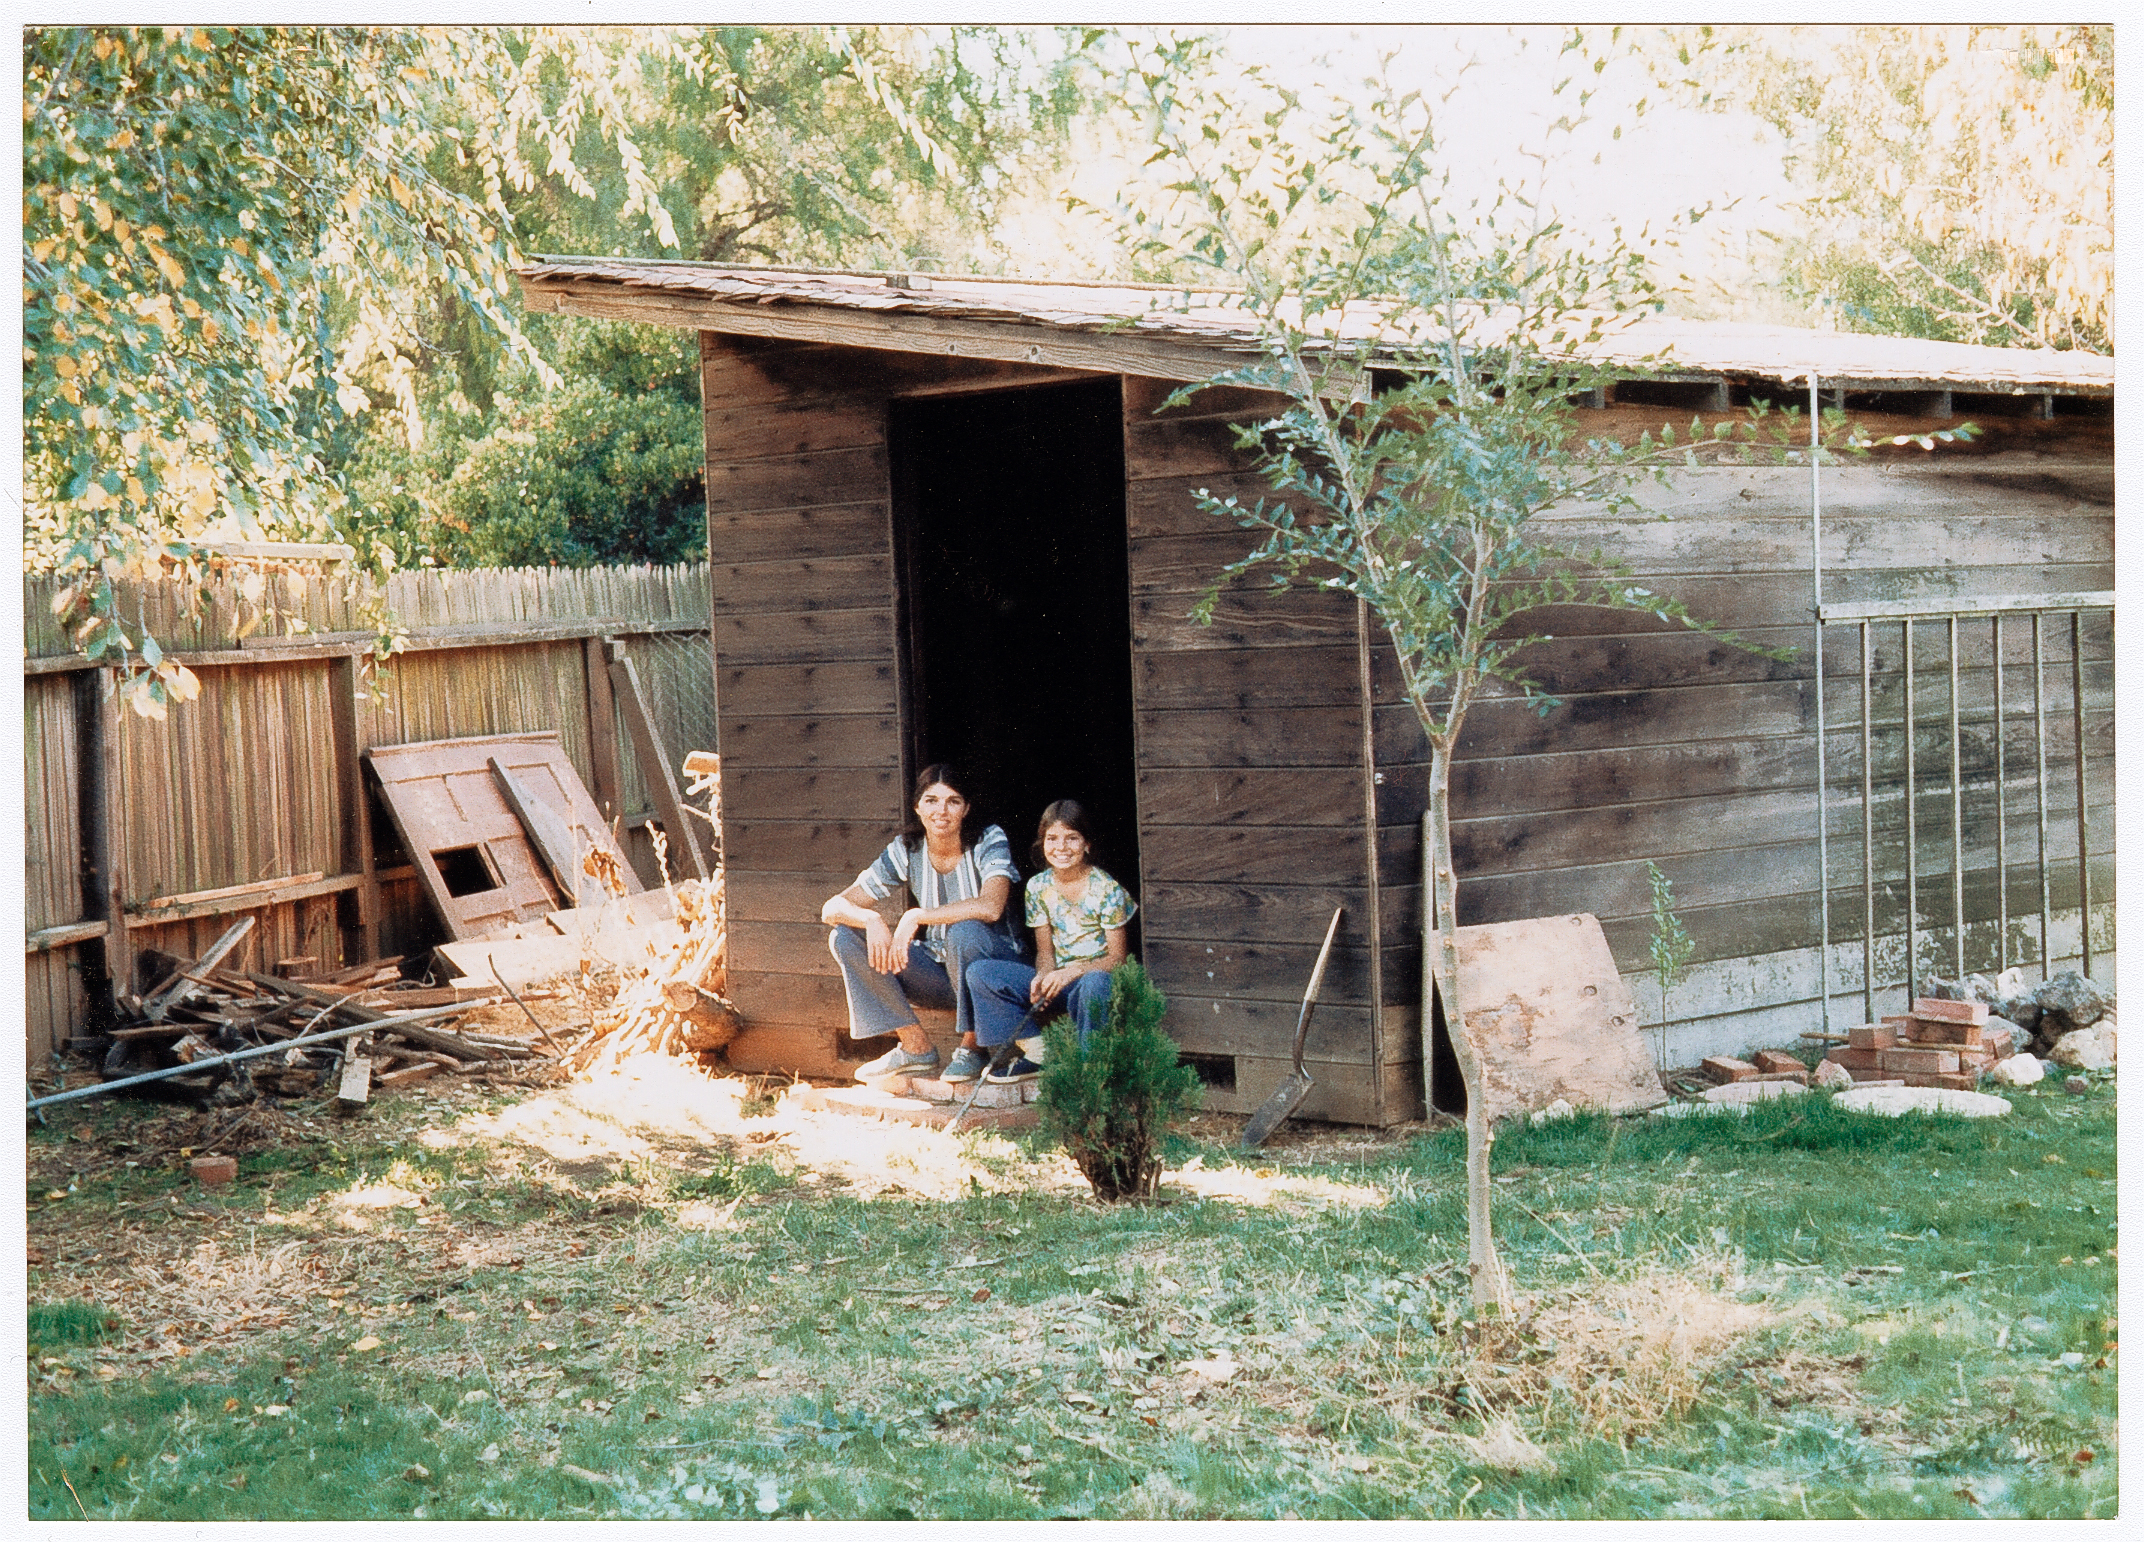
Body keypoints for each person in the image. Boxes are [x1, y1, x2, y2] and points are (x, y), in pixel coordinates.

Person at [820, 764, 1028, 1081]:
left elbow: (991, 906)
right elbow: (832, 907)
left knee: (965, 931)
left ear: (966, 808)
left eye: (953, 801)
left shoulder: (989, 839)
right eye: (931, 800)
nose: (940, 811)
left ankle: (972, 1048)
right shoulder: (908, 849)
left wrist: (917, 915)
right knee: (845, 936)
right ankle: (915, 1046)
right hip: (939, 973)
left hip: (993, 974)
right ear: (918, 807)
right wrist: (871, 918)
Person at [962, 799, 1134, 1084]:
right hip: (1060, 981)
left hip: (1093, 983)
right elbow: (1045, 951)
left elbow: (1117, 959)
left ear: (1087, 844)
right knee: (981, 973)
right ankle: (1040, 1054)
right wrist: (1044, 974)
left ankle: (1088, 1074)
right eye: (1052, 838)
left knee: (1094, 983)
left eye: (1072, 838)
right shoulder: (1038, 887)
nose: (1061, 847)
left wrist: (1071, 972)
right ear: (1042, 842)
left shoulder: (1106, 888)